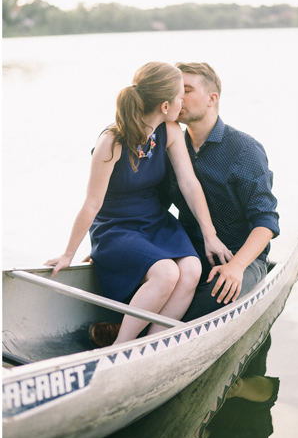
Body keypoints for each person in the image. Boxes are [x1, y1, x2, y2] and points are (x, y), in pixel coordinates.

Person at [46, 62, 231, 346]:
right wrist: (68, 254)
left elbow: (189, 182)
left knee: (192, 269)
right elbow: (92, 203)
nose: (184, 103)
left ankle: (155, 344)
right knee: (166, 272)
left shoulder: (168, 131)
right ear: (166, 105)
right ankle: (121, 347)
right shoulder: (112, 141)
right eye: (181, 96)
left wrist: (210, 235)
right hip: (116, 228)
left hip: (155, 222)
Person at [162, 62, 280, 321]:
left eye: (187, 90)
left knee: (222, 291)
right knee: (148, 272)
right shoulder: (171, 147)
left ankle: (143, 333)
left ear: (211, 99)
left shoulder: (245, 149)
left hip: (242, 257)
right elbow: (153, 205)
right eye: (175, 91)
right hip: (189, 254)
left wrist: (236, 267)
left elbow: (266, 221)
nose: (178, 98)